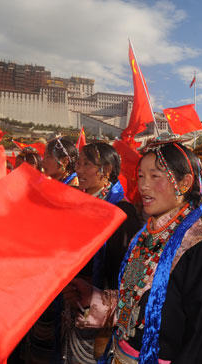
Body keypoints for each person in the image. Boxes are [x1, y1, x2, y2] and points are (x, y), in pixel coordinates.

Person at [65, 140, 202, 363]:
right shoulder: (146, 235)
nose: (143, 185)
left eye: (155, 176)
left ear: (184, 183)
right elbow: (138, 300)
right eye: (142, 176)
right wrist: (97, 298)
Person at [62, 142, 141, 364]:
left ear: (105, 170)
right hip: (74, 301)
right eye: (78, 163)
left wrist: (93, 294)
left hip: (101, 311)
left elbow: (123, 272)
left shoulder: (121, 211)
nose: (78, 170)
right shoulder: (82, 203)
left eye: (87, 164)